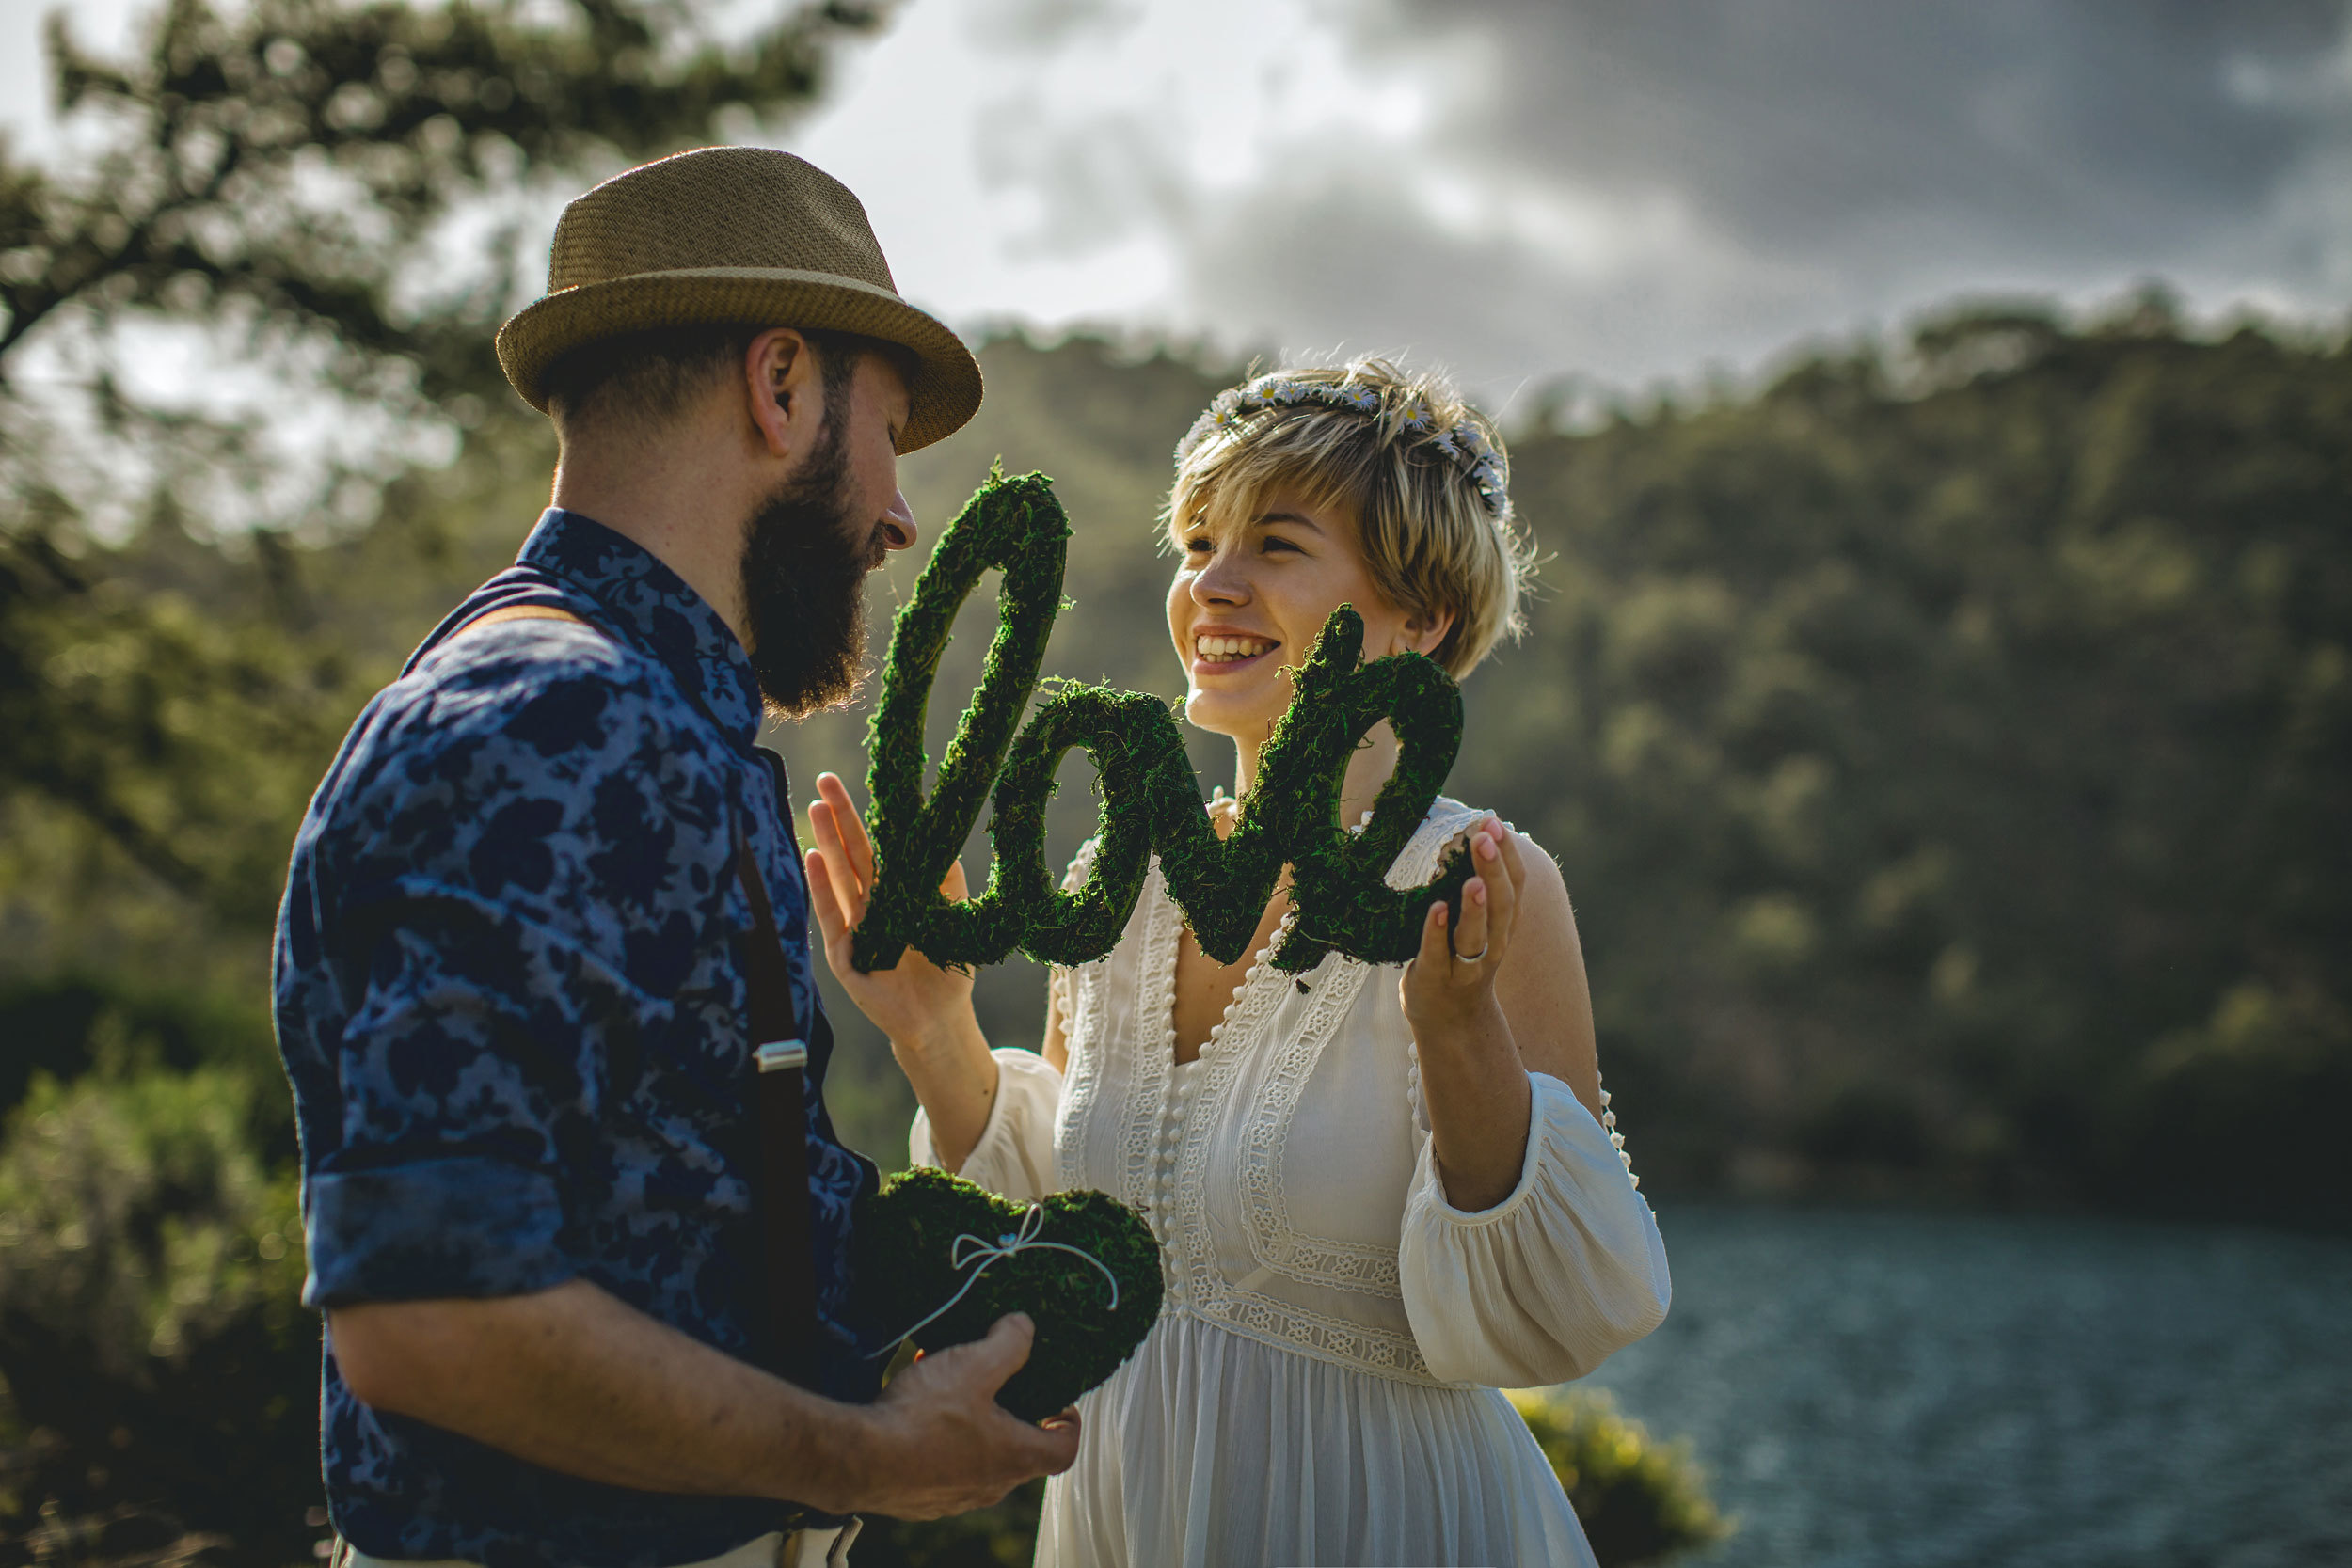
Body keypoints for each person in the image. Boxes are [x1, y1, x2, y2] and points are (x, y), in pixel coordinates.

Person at [272, 146, 1077, 1568]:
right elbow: (427, 1315)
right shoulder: (549, 721)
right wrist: (873, 1455)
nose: (899, 512)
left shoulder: (638, 716)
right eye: (886, 431)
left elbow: (667, 1200)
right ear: (781, 388)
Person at [803, 358, 1673, 1566]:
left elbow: (1551, 1310)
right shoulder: (1128, 872)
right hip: (1119, 1520)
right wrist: (930, 1026)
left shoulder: (1479, 878)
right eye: (1197, 540)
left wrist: (1456, 1025)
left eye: (1274, 544)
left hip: (1381, 1524)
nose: (1211, 582)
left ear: (1420, 617)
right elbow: (1061, 1235)